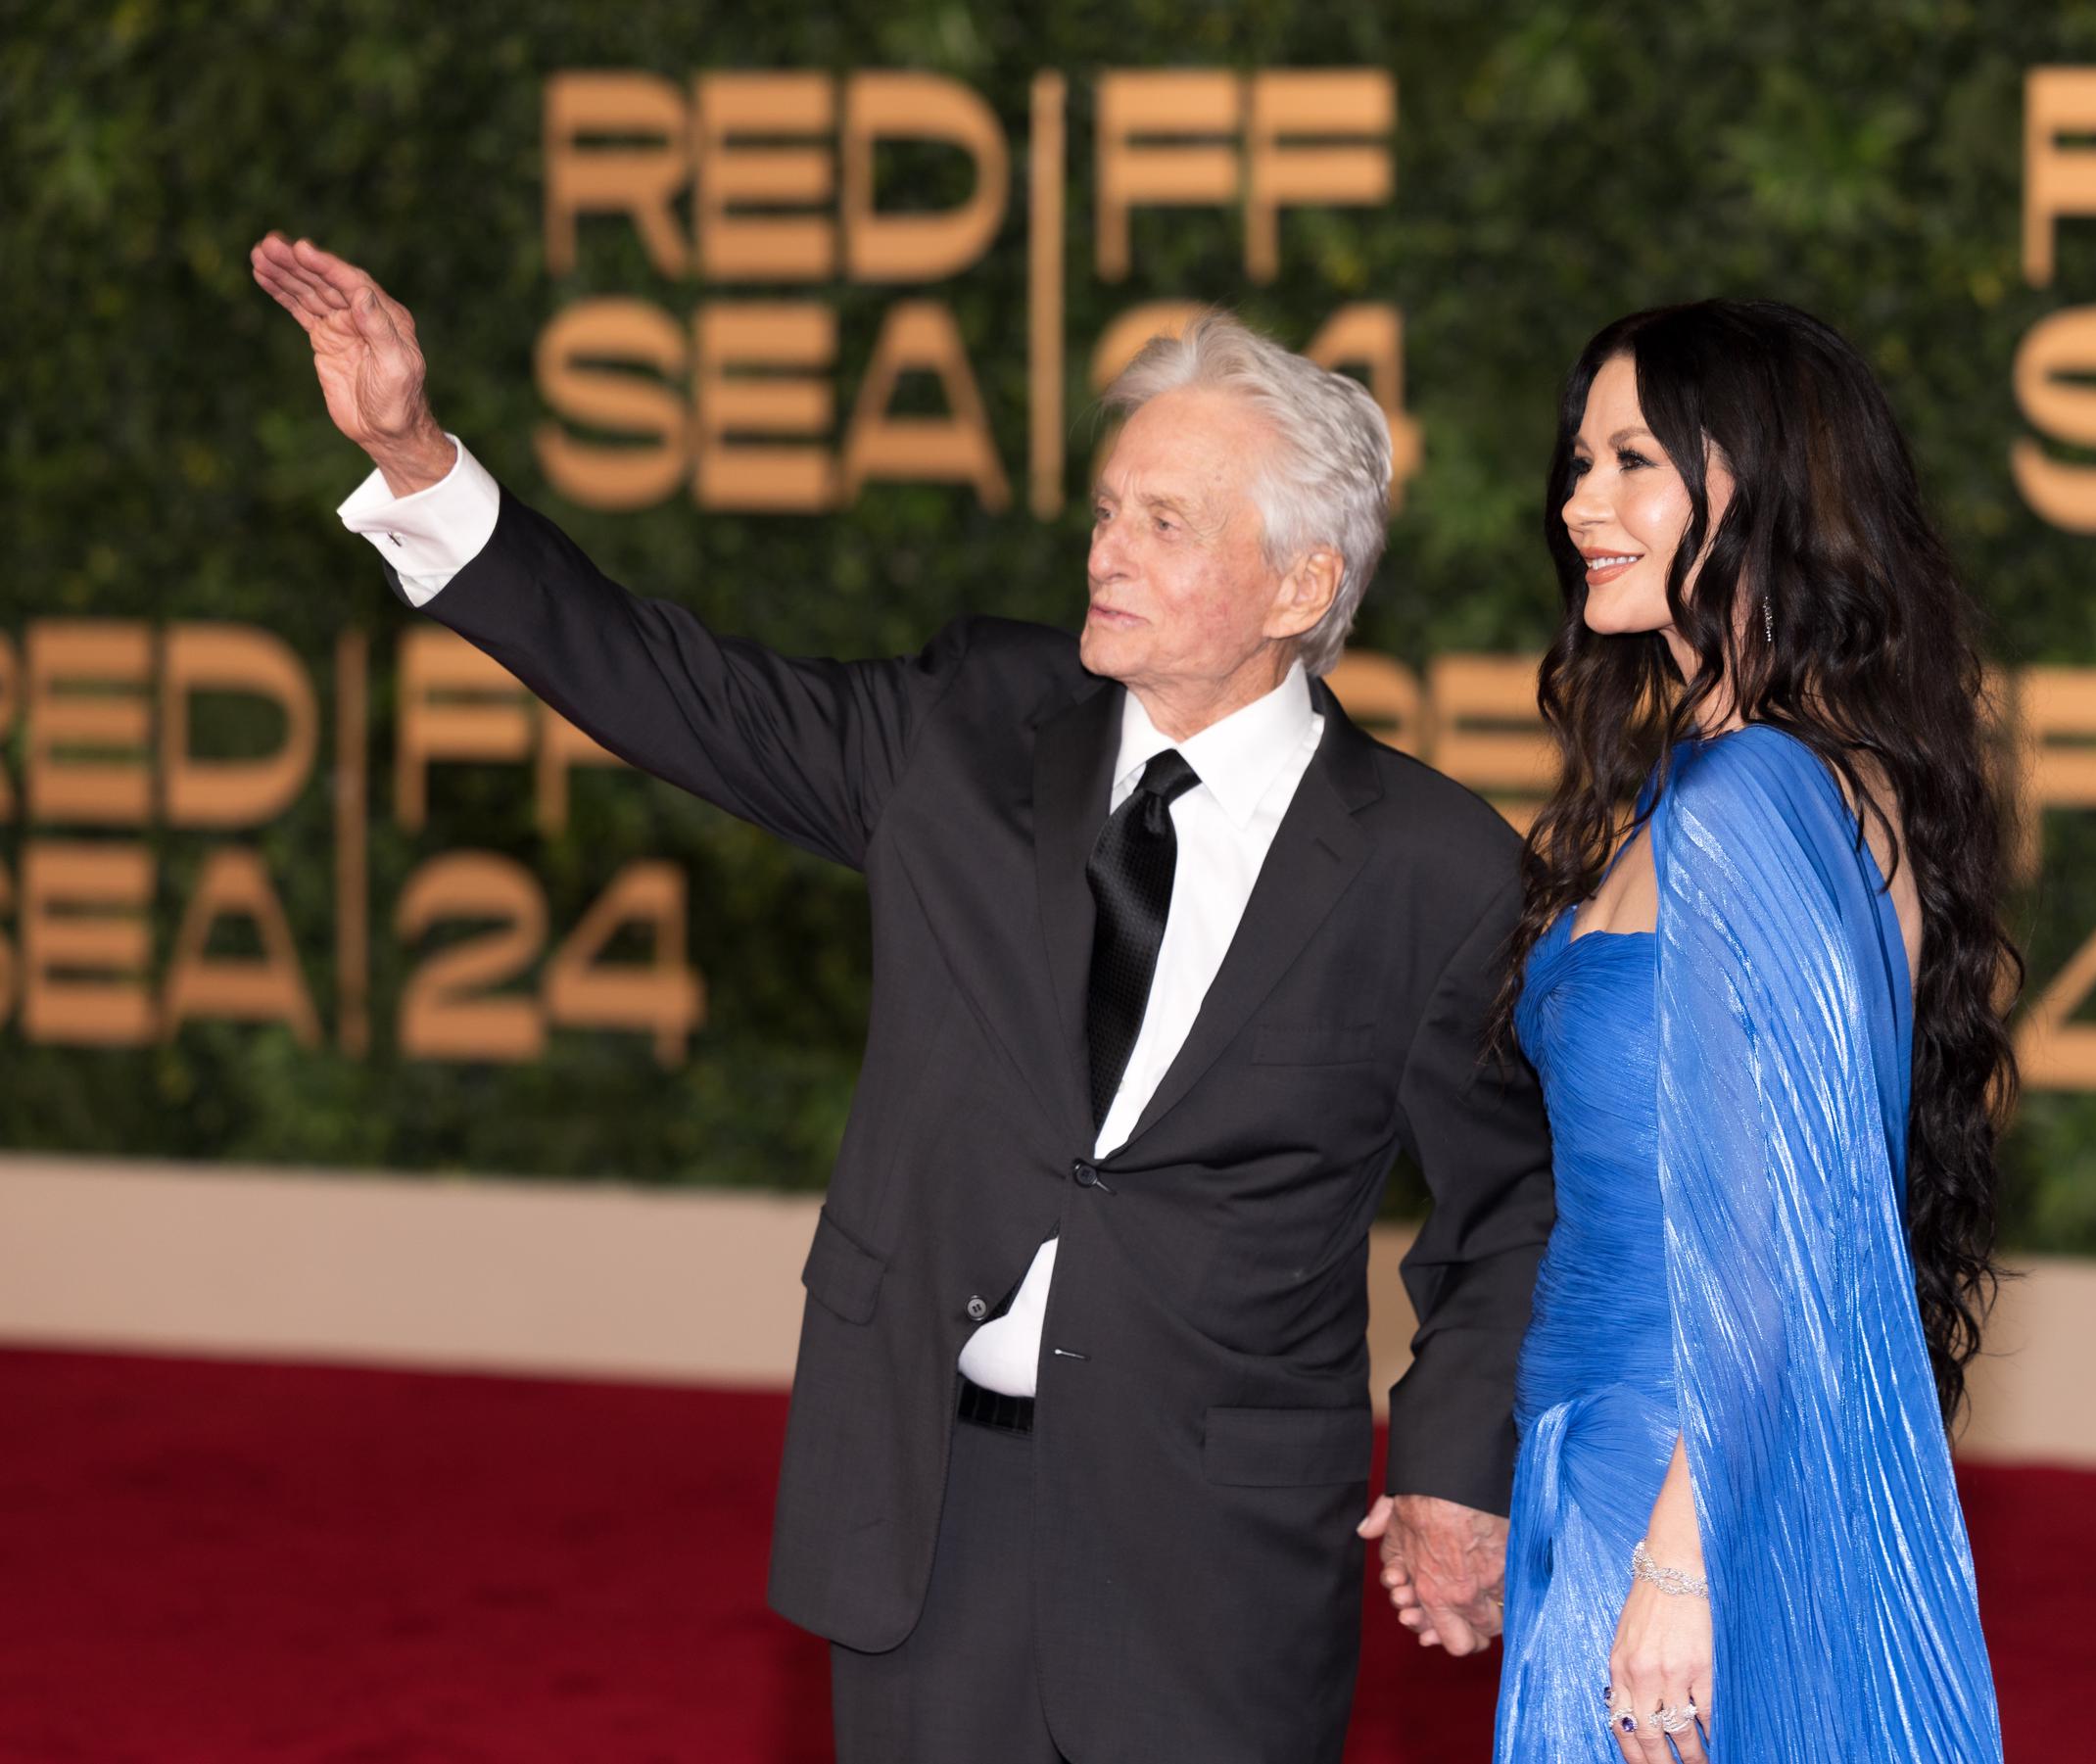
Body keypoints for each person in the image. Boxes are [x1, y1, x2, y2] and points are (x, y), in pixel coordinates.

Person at [250, 232, 1552, 1764]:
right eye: (1107, 510)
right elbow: (674, 685)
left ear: (1302, 584)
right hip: (934, 1510)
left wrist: (1461, 1464)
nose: (1107, 551)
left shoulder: (1430, 863)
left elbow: (1512, 1200)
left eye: (1166, 523)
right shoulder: (972, 728)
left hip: (1219, 1543)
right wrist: (416, 456)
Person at [1386, 299, 2013, 1761]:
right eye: (1579, 459)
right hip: (1634, 1459)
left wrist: (1678, 1557)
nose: (1579, 501)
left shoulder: (1751, 802)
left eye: (1630, 461)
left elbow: (1789, 1226)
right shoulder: (1763, 778)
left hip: (1674, 1479)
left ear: (1754, 488)